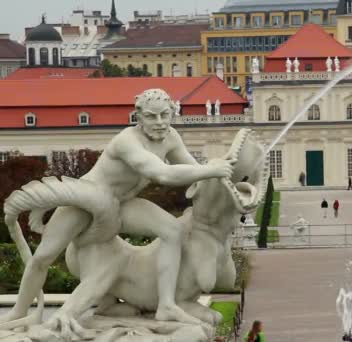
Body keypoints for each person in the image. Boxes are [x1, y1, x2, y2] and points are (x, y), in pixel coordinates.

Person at [0, 89, 234, 326]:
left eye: (165, 115)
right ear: (138, 116)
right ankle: (19, 311)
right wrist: (211, 169)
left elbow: (194, 173)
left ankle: (166, 306)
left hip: (122, 204)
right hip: (87, 201)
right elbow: (162, 174)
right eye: (152, 116)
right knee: (43, 257)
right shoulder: (127, 141)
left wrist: (225, 179)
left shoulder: (171, 137)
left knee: (173, 231)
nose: (160, 122)